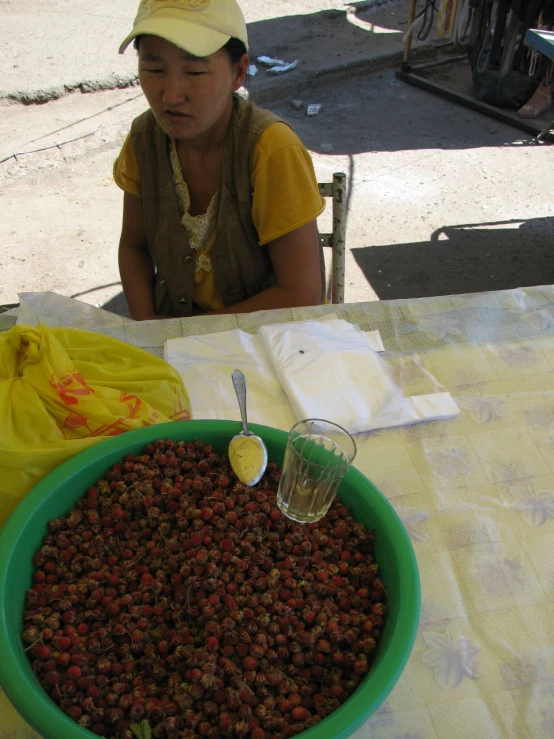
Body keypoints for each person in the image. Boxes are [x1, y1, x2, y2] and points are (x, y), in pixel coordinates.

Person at [114, 0, 326, 320]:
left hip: (266, 343)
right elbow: (134, 248)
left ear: (238, 72)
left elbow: (301, 293)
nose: (171, 95)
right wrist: (149, 329)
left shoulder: (271, 150)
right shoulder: (144, 140)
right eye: (154, 69)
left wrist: (185, 335)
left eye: (195, 71)